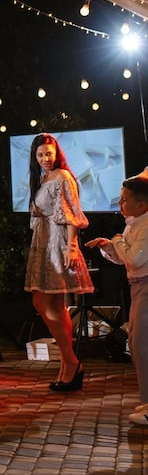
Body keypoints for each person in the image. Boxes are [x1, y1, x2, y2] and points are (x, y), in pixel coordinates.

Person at [24, 132, 93, 392]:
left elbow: (73, 213)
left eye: (48, 154)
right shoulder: (43, 177)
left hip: (58, 242)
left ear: (57, 153)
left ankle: (71, 361)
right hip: (44, 241)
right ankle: (68, 364)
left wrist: (72, 247)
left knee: (43, 300)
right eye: (40, 154)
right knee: (53, 303)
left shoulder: (62, 177)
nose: (44, 158)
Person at [86, 174, 148, 426]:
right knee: (136, 342)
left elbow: (135, 258)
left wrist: (117, 241)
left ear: (141, 204)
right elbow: (125, 258)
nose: (120, 205)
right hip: (138, 286)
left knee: (142, 343)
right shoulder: (134, 223)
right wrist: (109, 247)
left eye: (124, 200)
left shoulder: (144, 224)